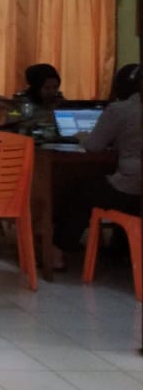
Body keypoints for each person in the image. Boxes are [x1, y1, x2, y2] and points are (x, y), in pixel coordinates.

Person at [52, 63, 141, 268]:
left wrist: (83, 137)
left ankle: (57, 252)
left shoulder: (120, 110)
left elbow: (94, 146)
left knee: (78, 191)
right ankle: (122, 249)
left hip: (129, 191)